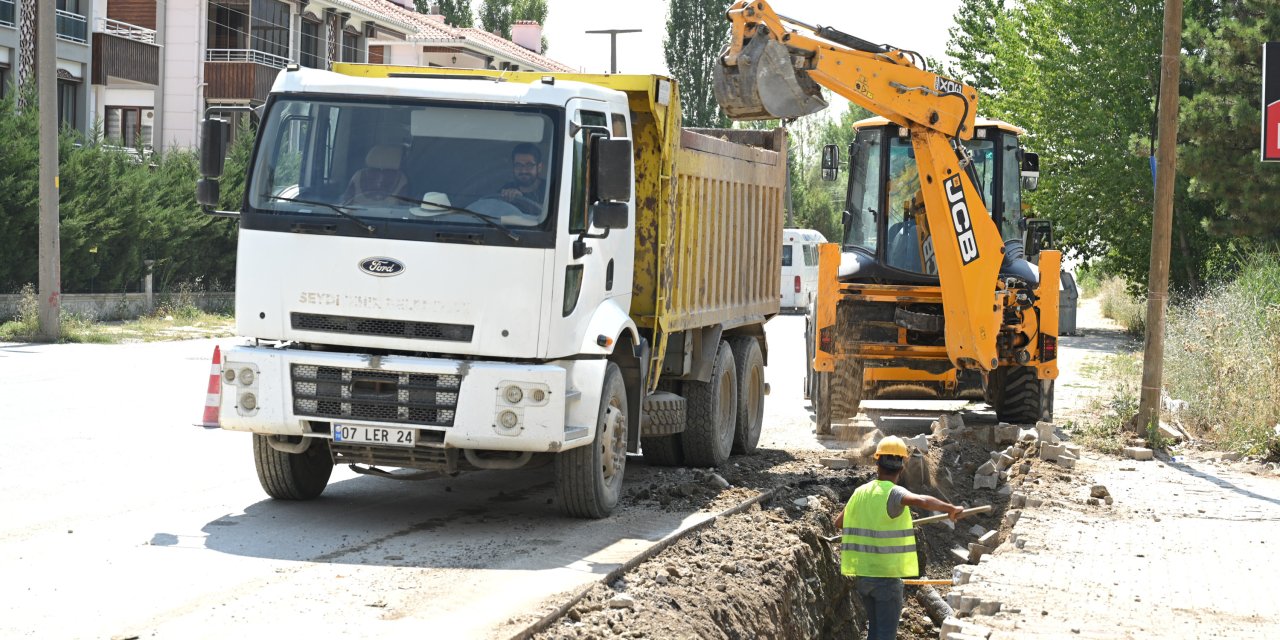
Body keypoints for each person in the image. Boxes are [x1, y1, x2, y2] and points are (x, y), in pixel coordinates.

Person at [835, 436, 964, 640]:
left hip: (863, 578)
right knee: (885, 635)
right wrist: (950, 508)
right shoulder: (894, 493)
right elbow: (920, 500)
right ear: (902, 467)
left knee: (875, 632)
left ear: (877, 463)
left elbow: (839, 523)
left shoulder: (859, 493)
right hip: (886, 579)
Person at [499, 143, 547, 214]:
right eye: (518, 165)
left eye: (529, 165)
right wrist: (505, 199)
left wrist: (521, 200)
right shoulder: (506, 189)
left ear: (539, 167)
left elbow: (554, 213)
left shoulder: (549, 189)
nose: (523, 170)